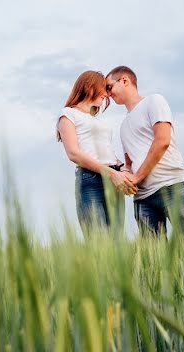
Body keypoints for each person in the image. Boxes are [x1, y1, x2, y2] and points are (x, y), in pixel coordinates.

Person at [105, 66, 184, 236]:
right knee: (152, 257)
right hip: (143, 198)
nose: (108, 94)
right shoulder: (123, 126)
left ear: (124, 80)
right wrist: (122, 177)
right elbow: (129, 164)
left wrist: (137, 177)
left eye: (109, 87)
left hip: (172, 185)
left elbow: (162, 141)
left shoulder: (154, 101)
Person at [57, 70, 137, 235]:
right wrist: (110, 173)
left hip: (113, 178)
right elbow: (73, 153)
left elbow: (107, 152)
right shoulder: (68, 114)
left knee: (116, 243)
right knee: (98, 242)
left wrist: (123, 169)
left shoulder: (96, 121)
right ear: (89, 86)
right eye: (104, 88)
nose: (107, 94)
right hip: (91, 179)